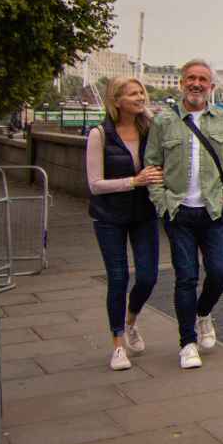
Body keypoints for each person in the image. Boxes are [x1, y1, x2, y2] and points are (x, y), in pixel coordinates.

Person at [146, 59, 223, 369]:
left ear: (211, 87)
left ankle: (203, 313)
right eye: (191, 78)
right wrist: (162, 202)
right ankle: (187, 342)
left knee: (220, 271)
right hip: (179, 212)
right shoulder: (164, 121)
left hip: (215, 211)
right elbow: (152, 165)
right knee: (185, 278)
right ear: (181, 83)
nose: (196, 84)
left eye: (203, 79)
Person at [85, 77, 163, 370]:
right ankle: (118, 343)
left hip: (144, 214)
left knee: (148, 277)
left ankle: (131, 319)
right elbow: (94, 184)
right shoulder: (99, 134)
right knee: (118, 279)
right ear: (116, 100)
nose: (140, 97)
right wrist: (134, 181)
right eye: (133, 94)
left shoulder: (150, 129)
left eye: (141, 92)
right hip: (109, 218)